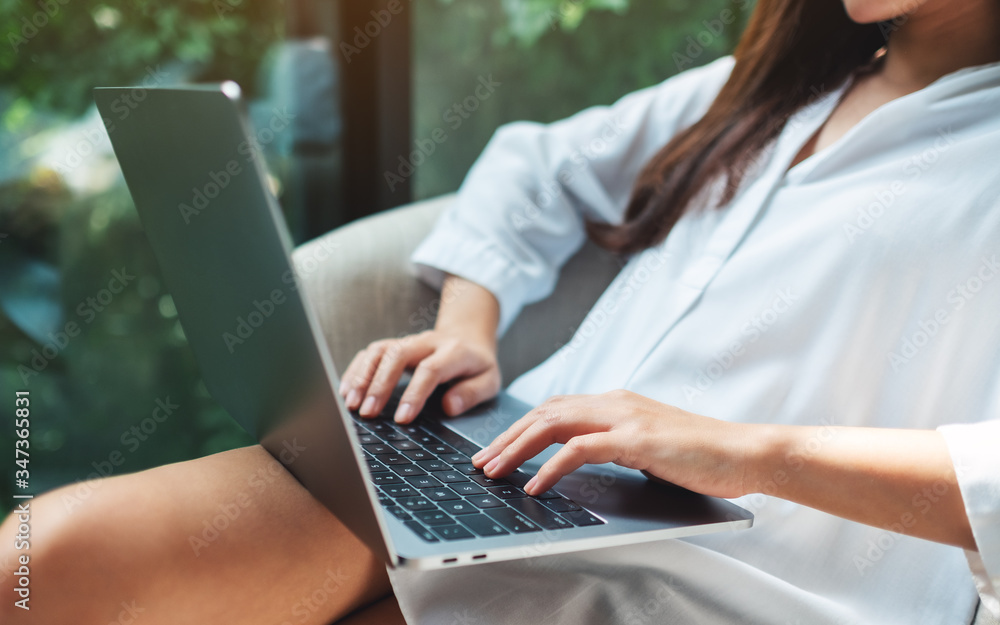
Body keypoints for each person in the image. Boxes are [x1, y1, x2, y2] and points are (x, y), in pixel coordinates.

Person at [3, 0, 999, 623]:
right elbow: (538, 163)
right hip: (513, 478)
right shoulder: (785, 86)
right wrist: (466, 328)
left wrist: (732, 448)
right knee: (42, 565)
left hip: (738, 583)